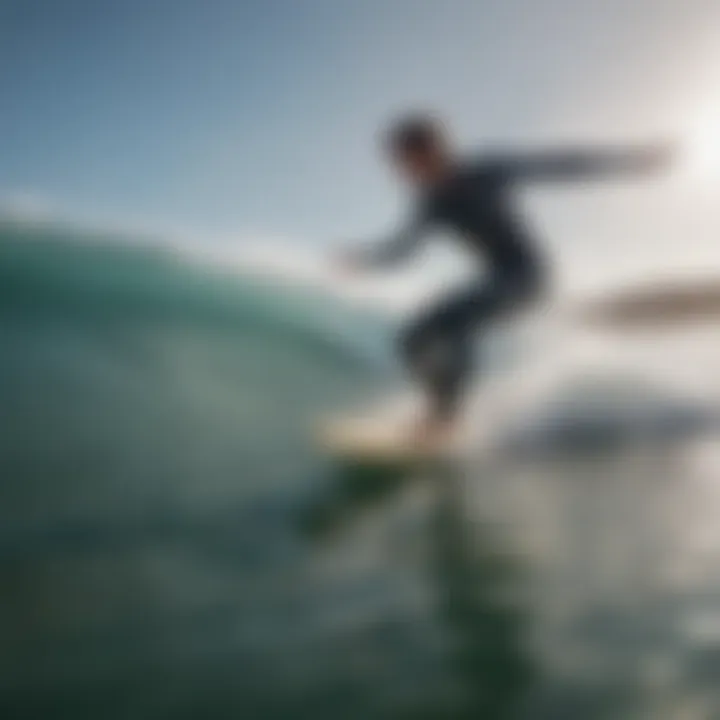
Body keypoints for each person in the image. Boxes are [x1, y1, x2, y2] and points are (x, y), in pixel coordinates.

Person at [339, 113, 672, 446]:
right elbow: (403, 250)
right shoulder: (431, 202)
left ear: (433, 149)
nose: (403, 172)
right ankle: (436, 410)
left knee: (457, 323)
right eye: (398, 165)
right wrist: (364, 260)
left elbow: (559, 166)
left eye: (406, 161)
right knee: (411, 340)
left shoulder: (485, 172)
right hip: (497, 279)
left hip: (530, 276)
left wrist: (634, 160)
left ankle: (444, 421)